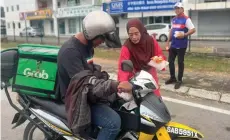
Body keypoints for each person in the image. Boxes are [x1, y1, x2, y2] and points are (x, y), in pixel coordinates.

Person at [57, 11, 132, 140]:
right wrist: (114, 85)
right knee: (113, 123)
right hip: (76, 99)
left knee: (120, 104)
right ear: (92, 34)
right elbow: (86, 85)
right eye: (102, 38)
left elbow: (90, 73)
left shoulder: (88, 47)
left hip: (85, 94)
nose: (102, 42)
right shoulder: (70, 52)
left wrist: (109, 82)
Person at [117, 18, 166, 97]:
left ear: (141, 31)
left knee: (156, 103)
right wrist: (123, 83)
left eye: (136, 33)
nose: (134, 37)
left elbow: (159, 55)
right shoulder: (127, 47)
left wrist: (160, 63)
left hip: (150, 79)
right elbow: (123, 68)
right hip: (135, 81)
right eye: (131, 35)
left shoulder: (151, 41)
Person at [165, 2, 196, 89]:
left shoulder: (186, 19)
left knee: (180, 62)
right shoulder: (174, 19)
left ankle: (179, 80)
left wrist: (185, 34)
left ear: (182, 9)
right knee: (170, 61)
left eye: (178, 8)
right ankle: (172, 78)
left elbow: (193, 29)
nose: (177, 10)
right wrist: (168, 42)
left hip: (181, 45)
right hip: (173, 44)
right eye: (175, 8)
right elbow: (171, 30)